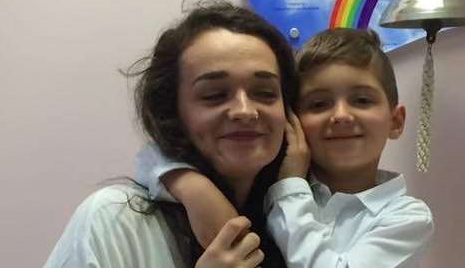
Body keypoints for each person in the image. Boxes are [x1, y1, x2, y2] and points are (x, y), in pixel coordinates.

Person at [137, 27, 434, 267]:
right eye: (318, 104)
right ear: (291, 121)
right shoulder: (265, 181)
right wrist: (191, 186)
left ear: (395, 122)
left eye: (362, 100)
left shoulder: (407, 217)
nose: (341, 116)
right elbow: (150, 157)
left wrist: (291, 188)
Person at [44, 0, 299, 267]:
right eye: (214, 95)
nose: (245, 110)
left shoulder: (307, 216)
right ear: (173, 112)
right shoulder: (113, 219)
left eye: (265, 93)